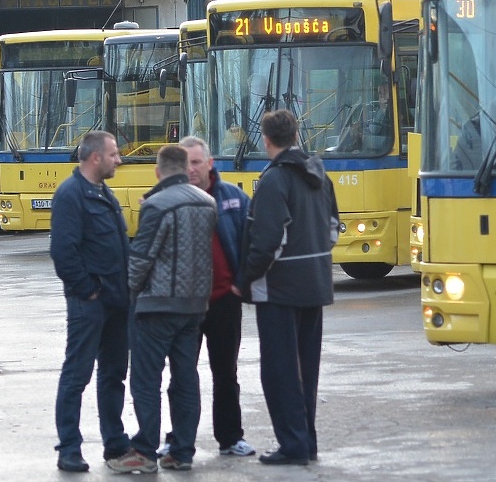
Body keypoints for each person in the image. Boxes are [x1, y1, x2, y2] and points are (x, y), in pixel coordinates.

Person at [237, 109, 339, 466]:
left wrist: (244, 279)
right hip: (315, 285)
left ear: (265, 140)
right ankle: (306, 442)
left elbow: (267, 243)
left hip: (279, 290)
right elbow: (332, 231)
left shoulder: (273, 181)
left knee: (280, 371)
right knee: (306, 370)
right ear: (296, 135)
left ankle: (293, 445)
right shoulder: (319, 176)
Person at [108, 144, 217, 473]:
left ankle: (144, 451)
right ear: (186, 169)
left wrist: (128, 292)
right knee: (186, 379)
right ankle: (182, 451)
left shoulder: (156, 205)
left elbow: (141, 259)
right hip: (194, 306)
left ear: (158, 171)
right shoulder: (207, 203)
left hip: (156, 306)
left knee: (146, 381)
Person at [49, 130, 131, 473]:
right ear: (95, 157)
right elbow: (63, 252)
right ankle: (69, 448)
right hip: (90, 303)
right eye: (114, 154)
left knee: (113, 375)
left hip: (116, 301)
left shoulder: (104, 193)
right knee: (77, 375)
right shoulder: (71, 195)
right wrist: (87, 289)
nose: (119, 159)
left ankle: (115, 444)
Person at [177, 135, 255, 458]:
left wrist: (241, 284)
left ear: (210, 164)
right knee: (183, 375)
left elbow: (252, 244)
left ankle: (230, 437)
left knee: (226, 373)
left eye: (196, 162)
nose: (191, 169)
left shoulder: (234, 199)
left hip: (225, 300)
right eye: (185, 164)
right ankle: (180, 440)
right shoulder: (170, 200)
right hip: (185, 305)